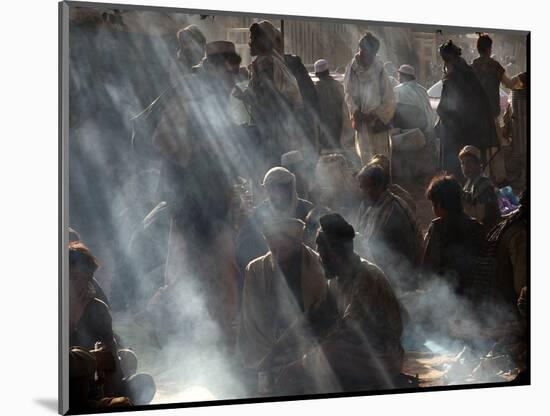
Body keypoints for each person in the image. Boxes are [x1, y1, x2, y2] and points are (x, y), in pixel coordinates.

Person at [146, 41, 246, 347]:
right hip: (190, 203)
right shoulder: (189, 94)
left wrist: (227, 190)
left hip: (213, 203)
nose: (232, 80)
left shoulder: (221, 99)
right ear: (215, 69)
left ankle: (223, 336)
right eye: (228, 73)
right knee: (185, 272)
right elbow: (162, 137)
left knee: (221, 271)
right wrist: (193, 160)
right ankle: (170, 331)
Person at [275, 213, 404, 394]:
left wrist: (301, 363)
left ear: (337, 253)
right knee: (311, 345)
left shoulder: (366, 277)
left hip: (385, 357)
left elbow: (349, 331)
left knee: (330, 351)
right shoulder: (336, 280)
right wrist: (286, 341)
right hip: (359, 353)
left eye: (323, 255)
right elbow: (316, 315)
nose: (320, 260)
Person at [69, 242, 156, 406]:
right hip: (70, 394)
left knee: (142, 381)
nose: (81, 286)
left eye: (86, 279)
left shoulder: (96, 308)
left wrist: (112, 390)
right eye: (73, 279)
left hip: (95, 387)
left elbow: (110, 357)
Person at [237, 218, 328, 375]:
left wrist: (300, 359)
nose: (278, 256)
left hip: (309, 355)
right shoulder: (255, 271)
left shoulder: (320, 266)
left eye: (284, 250)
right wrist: (273, 358)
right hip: (266, 353)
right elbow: (253, 323)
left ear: (298, 245)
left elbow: (321, 319)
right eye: (274, 250)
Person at [233, 20, 303, 168]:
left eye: (253, 39)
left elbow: (269, 100)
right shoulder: (271, 61)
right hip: (278, 127)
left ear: (264, 41)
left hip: (272, 130)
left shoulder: (266, 63)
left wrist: (244, 95)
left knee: (269, 169)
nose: (249, 43)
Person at [436, 40, 498, 181]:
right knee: (470, 170)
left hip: (459, 133)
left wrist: (442, 114)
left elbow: (447, 107)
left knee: (458, 170)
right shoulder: (468, 72)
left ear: (448, 60)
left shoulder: (453, 77)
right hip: (473, 132)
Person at [355, 165, 422, 292]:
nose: (361, 191)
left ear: (378, 187)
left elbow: (383, 255)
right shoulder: (373, 205)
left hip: (398, 281)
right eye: (361, 187)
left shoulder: (392, 213)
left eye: (364, 187)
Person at [235, 167, 314, 272]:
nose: (276, 193)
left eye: (280, 187)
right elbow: (244, 244)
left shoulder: (307, 209)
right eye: (271, 188)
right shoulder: (259, 214)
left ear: (290, 187)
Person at [421, 175, 485, 297]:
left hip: (446, 299)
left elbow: (427, 269)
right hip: (476, 298)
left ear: (439, 203)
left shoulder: (437, 228)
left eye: (433, 204)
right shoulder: (477, 226)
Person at [471, 34, 522, 184]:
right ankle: (500, 177)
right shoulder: (495, 66)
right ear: (489, 49)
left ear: (478, 49)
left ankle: (483, 177)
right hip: (491, 113)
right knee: (495, 146)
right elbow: (510, 84)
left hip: (476, 115)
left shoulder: (473, 66)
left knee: (481, 146)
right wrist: (522, 77)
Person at [343, 32, 396, 164]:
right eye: (360, 49)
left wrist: (375, 115)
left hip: (377, 123)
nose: (361, 53)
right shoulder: (352, 69)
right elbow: (348, 94)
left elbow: (389, 99)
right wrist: (355, 113)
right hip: (362, 123)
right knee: (366, 161)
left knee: (381, 160)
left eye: (365, 50)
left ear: (373, 53)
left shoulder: (380, 70)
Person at [459, 145, 501, 233]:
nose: (465, 166)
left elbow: (479, 218)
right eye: (463, 163)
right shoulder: (469, 182)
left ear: (478, 164)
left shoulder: (484, 184)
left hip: (488, 232)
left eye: (469, 162)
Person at [393, 64, 437, 135]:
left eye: (399, 76)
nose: (398, 78)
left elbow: (394, 111)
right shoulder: (422, 90)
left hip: (411, 133)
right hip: (429, 130)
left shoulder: (398, 90)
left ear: (403, 76)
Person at [314, 59, 346, 152]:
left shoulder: (315, 89)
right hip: (339, 130)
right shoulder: (338, 85)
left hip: (324, 131)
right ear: (328, 71)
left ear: (316, 74)